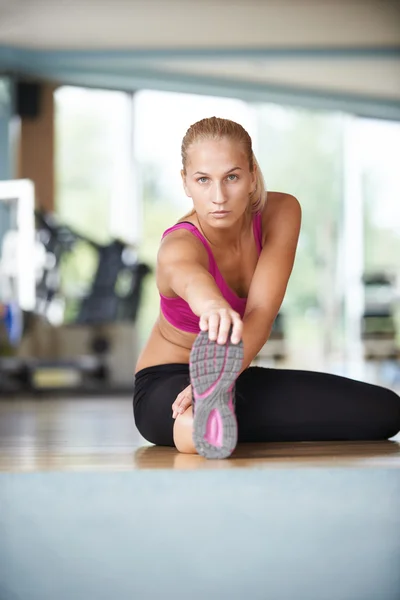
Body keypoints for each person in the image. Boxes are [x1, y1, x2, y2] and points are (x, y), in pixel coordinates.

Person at [133, 117, 400, 459]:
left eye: (231, 177)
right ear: (185, 183)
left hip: (237, 371)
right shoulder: (178, 247)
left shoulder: (281, 211)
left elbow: (261, 312)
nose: (219, 196)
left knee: (384, 411)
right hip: (165, 383)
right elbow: (191, 280)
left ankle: (220, 404)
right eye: (203, 180)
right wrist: (214, 307)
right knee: (189, 418)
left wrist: (226, 373)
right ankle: (205, 422)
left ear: (252, 174)